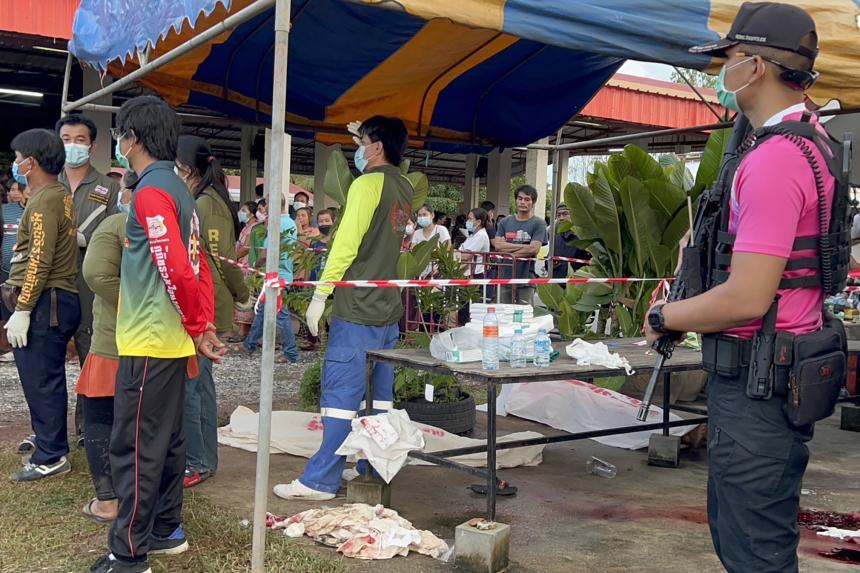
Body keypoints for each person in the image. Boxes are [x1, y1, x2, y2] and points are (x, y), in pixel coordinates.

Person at [645, 5, 844, 571]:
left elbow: (746, 298)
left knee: (753, 550)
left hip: (758, 383)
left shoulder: (775, 159)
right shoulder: (812, 141)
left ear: (754, 66)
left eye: (727, 60)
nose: (720, 74)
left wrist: (664, 317)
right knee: (753, 539)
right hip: (779, 372)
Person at [89, 95, 223, 573]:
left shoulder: (150, 193)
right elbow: (198, 266)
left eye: (119, 134)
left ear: (134, 138)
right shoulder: (179, 190)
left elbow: (178, 270)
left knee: (135, 448)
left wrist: (198, 326)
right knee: (166, 442)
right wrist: (202, 325)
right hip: (169, 340)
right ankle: (165, 529)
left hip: (149, 339)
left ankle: (129, 554)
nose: (118, 143)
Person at [276, 115, 412, 500]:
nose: (358, 150)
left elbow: (346, 245)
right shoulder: (402, 187)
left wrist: (320, 295)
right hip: (387, 309)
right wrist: (366, 138)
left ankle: (320, 480)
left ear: (377, 147)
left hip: (357, 309)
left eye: (363, 143)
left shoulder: (367, 184)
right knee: (379, 399)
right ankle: (373, 470)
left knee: (340, 398)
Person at [4, 129, 80, 483]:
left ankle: (51, 454)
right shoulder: (57, 194)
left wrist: (23, 308)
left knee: (41, 378)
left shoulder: (45, 199)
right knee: (43, 376)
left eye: (18, 158)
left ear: (31, 163)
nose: (16, 164)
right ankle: (47, 436)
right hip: (52, 298)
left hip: (45, 300)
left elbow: (38, 259)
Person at [175, 135, 251, 488]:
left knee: (194, 385)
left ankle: (199, 461)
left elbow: (223, 260)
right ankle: (200, 458)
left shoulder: (207, 204)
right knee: (198, 384)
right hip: (203, 302)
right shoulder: (201, 199)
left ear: (187, 168)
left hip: (208, 305)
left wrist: (241, 295)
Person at [56, 114, 121, 447]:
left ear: (92, 146)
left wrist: (87, 239)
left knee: (90, 351)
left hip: (88, 280)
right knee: (48, 358)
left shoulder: (108, 188)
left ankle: (87, 427)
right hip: (53, 280)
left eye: (80, 140)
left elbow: (117, 234)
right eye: (66, 139)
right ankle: (49, 432)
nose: (73, 146)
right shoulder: (48, 183)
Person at [77, 171, 136, 523]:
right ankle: (145, 499)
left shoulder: (116, 224)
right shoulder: (181, 224)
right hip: (163, 339)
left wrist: (135, 305)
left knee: (100, 414)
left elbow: (96, 275)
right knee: (152, 422)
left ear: (128, 193)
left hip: (114, 338)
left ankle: (109, 501)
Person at [239, 193, 299, 364]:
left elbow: (265, 254)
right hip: (281, 273)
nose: (264, 208)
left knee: (281, 314)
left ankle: (290, 353)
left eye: (265, 204)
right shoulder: (290, 223)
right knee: (263, 311)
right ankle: (249, 345)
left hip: (276, 275)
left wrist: (255, 265)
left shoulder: (277, 224)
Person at [492, 185, 546, 304]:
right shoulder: (505, 221)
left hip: (526, 278)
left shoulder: (539, 223)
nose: (523, 202)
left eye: (527, 199)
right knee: (504, 313)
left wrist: (507, 250)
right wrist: (525, 247)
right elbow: (498, 245)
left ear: (533, 203)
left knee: (525, 313)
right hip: (505, 276)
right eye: (520, 198)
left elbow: (534, 249)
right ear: (516, 200)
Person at [457, 207, 491, 325]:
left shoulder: (481, 236)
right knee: (463, 307)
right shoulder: (473, 235)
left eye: (470, 219)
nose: (468, 221)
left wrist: (457, 255)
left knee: (469, 309)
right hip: (467, 274)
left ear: (478, 222)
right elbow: (461, 250)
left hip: (475, 275)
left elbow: (466, 255)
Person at [552, 203, 590, 279]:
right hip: (557, 282)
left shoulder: (584, 238)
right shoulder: (556, 238)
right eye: (558, 215)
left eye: (565, 214)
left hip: (577, 283)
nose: (561, 218)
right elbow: (548, 261)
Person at [411, 203, 451, 277]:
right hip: (420, 273)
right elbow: (413, 251)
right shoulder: (416, 233)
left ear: (432, 215)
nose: (422, 217)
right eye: (419, 215)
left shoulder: (441, 230)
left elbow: (448, 249)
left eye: (424, 214)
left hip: (438, 272)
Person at [235, 200, 259, 266]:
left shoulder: (254, 227)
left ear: (252, 214)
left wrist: (233, 257)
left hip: (247, 266)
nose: (240, 212)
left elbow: (246, 247)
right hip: (240, 263)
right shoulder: (246, 227)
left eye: (243, 210)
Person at [248, 199, 268, 268]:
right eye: (257, 210)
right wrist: (253, 266)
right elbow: (252, 251)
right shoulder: (255, 229)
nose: (257, 213)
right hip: (257, 269)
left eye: (260, 209)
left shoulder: (277, 229)